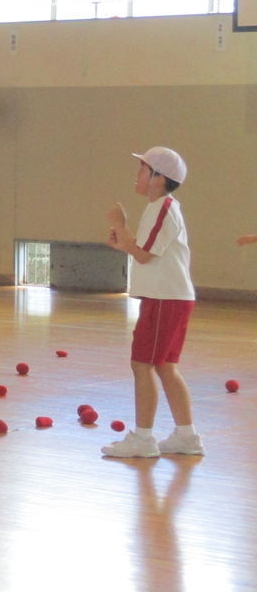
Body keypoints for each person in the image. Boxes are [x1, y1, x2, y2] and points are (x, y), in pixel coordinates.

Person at [102, 147, 203, 458]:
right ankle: (186, 437)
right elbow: (146, 251)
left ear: (159, 179)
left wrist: (120, 223)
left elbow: (144, 255)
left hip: (164, 300)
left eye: (143, 170)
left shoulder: (162, 208)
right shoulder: (162, 208)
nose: (137, 175)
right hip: (171, 298)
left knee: (142, 364)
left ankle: (143, 438)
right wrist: (124, 243)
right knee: (165, 366)